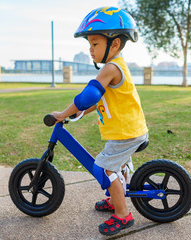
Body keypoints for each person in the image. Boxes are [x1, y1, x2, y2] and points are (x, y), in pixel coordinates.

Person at [50, 6, 148, 236]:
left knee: (103, 168)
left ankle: (123, 215)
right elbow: (101, 101)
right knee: (117, 165)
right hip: (127, 130)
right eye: (89, 45)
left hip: (126, 133)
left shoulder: (110, 68)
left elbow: (88, 95)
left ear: (114, 44)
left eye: (95, 44)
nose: (90, 50)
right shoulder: (118, 66)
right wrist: (82, 112)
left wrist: (63, 114)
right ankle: (116, 199)